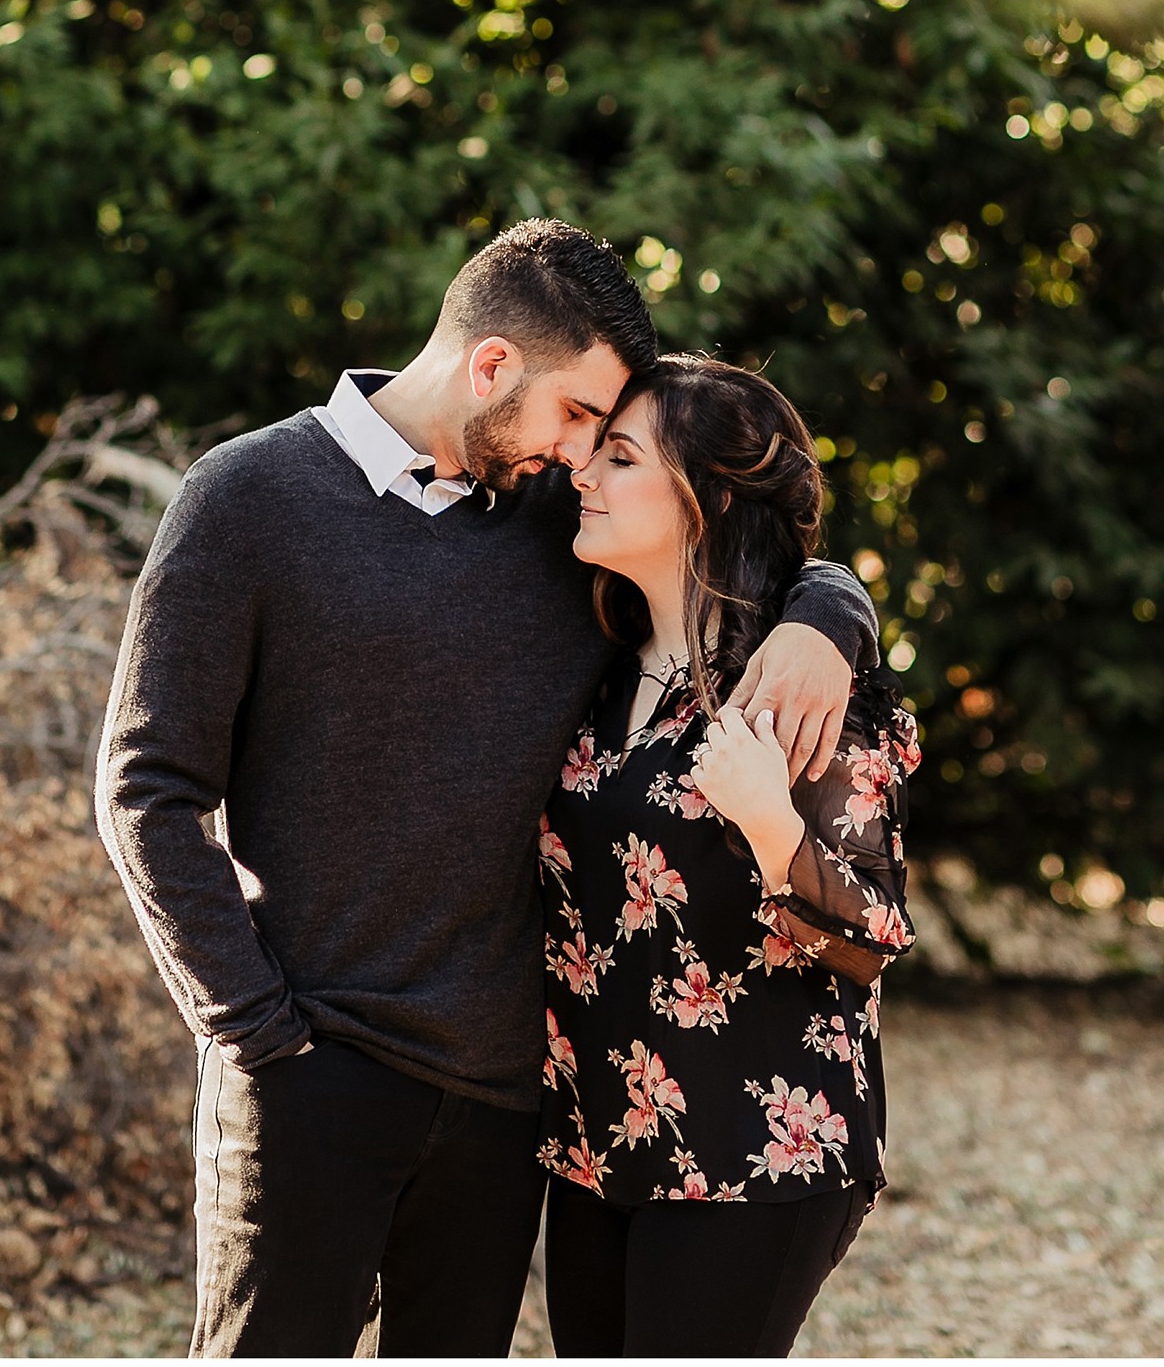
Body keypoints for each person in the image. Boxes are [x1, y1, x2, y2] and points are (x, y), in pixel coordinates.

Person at [97, 220, 880, 1357]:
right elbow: (148, 787)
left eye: (603, 438)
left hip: (506, 1104)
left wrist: (830, 610)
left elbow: (723, 531)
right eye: (575, 417)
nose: (580, 455)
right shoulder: (246, 497)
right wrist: (253, 1031)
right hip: (307, 1074)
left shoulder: (560, 525)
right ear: (492, 365)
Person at [536, 353, 919, 1358]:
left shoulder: (808, 692)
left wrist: (768, 823)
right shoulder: (595, 667)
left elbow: (870, 938)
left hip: (757, 1153)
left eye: (620, 457)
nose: (585, 473)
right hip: (595, 1143)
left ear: (704, 498)